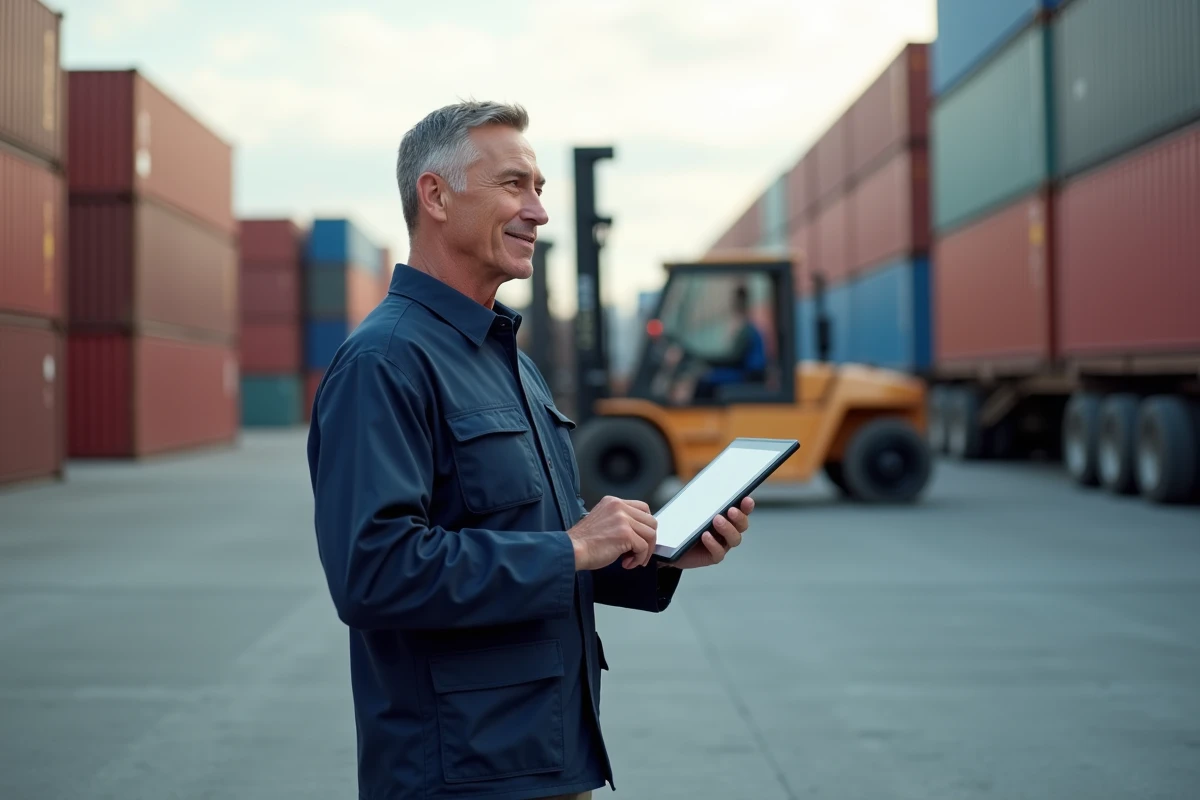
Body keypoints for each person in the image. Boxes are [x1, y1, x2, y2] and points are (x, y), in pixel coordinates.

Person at [306, 100, 756, 800]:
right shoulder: (386, 361)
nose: (539, 212)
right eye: (514, 185)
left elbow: (531, 537)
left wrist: (659, 551)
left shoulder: (504, 357)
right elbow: (375, 571)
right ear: (436, 195)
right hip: (460, 773)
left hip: (544, 755)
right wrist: (575, 548)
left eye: (540, 190)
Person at [664, 286, 768, 401]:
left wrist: (702, 359)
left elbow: (732, 358)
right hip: (745, 372)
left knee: (704, 381)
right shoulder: (747, 328)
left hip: (747, 376)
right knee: (704, 377)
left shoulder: (747, 330)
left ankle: (701, 415)